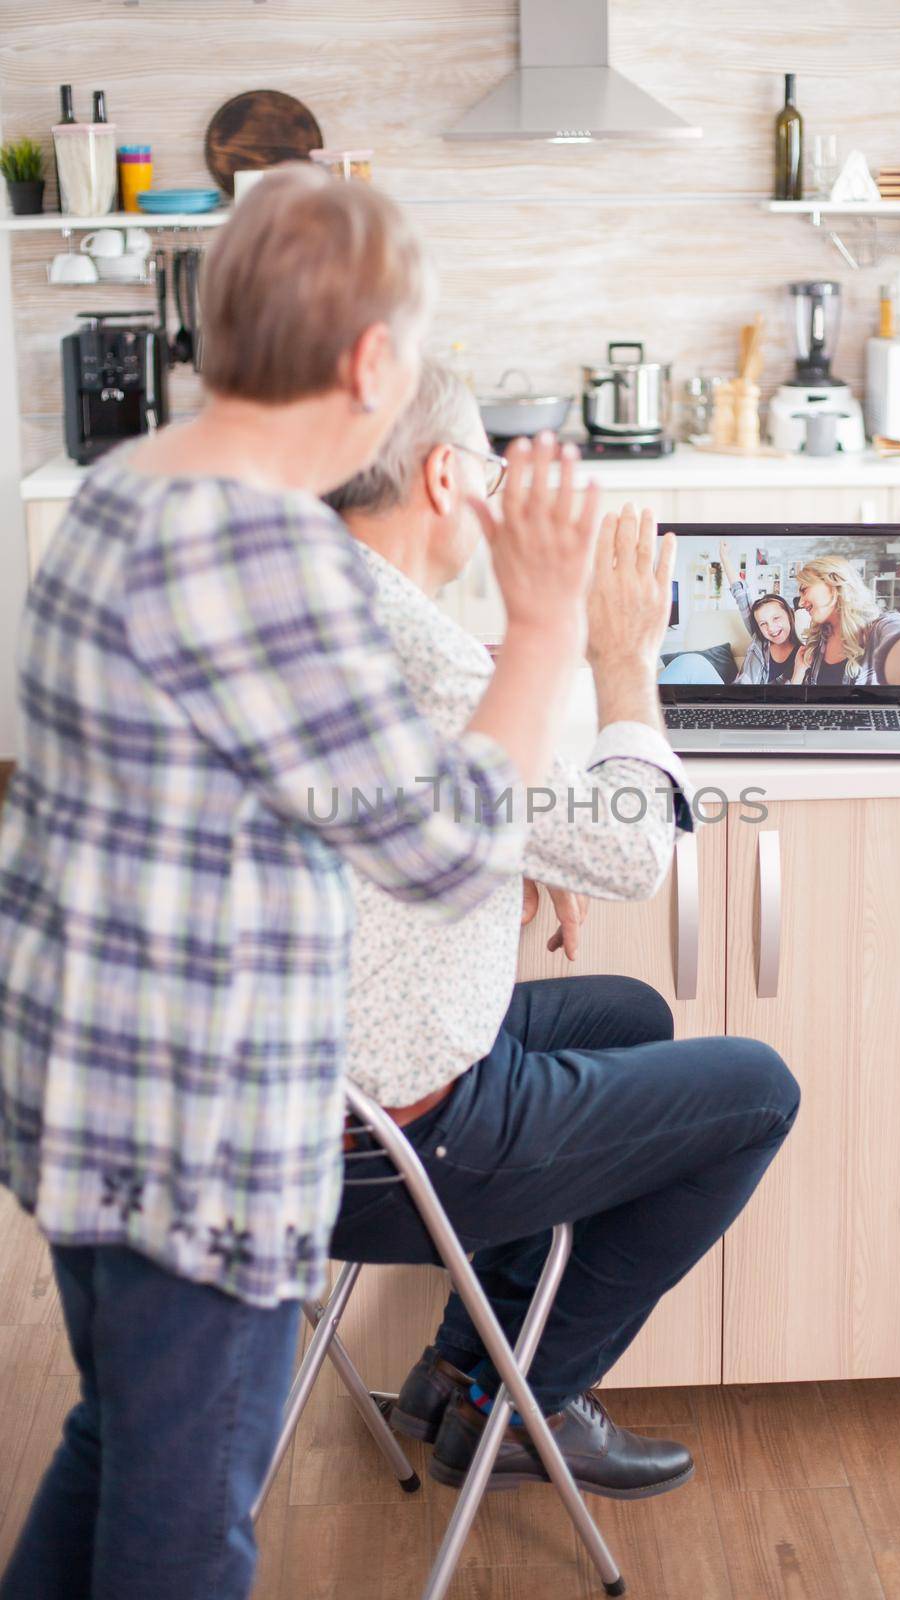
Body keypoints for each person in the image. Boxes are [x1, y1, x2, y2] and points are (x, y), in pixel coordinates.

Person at [0, 169, 603, 1600]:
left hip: (77, 1087)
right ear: (370, 364)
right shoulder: (262, 558)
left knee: (117, 1439)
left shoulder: (121, 487)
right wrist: (543, 625)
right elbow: (446, 843)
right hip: (194, 1124)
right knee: (185, 1526)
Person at [325, 362, 802, 1501]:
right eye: (485, 464)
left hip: (287, 1100)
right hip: (381, 1148)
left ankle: (456, 1369)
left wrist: (518, 836)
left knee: (628, 1015)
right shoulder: (429, 666)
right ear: (445, 477)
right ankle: (523, 1404)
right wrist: (622, 658)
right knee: (756, 1092)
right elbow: (634, 853)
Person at [790, 554, 900, 684]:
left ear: (833, 581)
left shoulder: (879, 627)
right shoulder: (819, 637)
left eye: (804, 590)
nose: (800, 603)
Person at [720, 538, 803, 684]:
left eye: (776, 618)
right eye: (763, 623)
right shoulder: (759, 638)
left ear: (789, 615)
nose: (771, 628)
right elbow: (741, 594)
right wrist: (724, 557)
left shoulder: (803, 652)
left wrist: (799, 671)